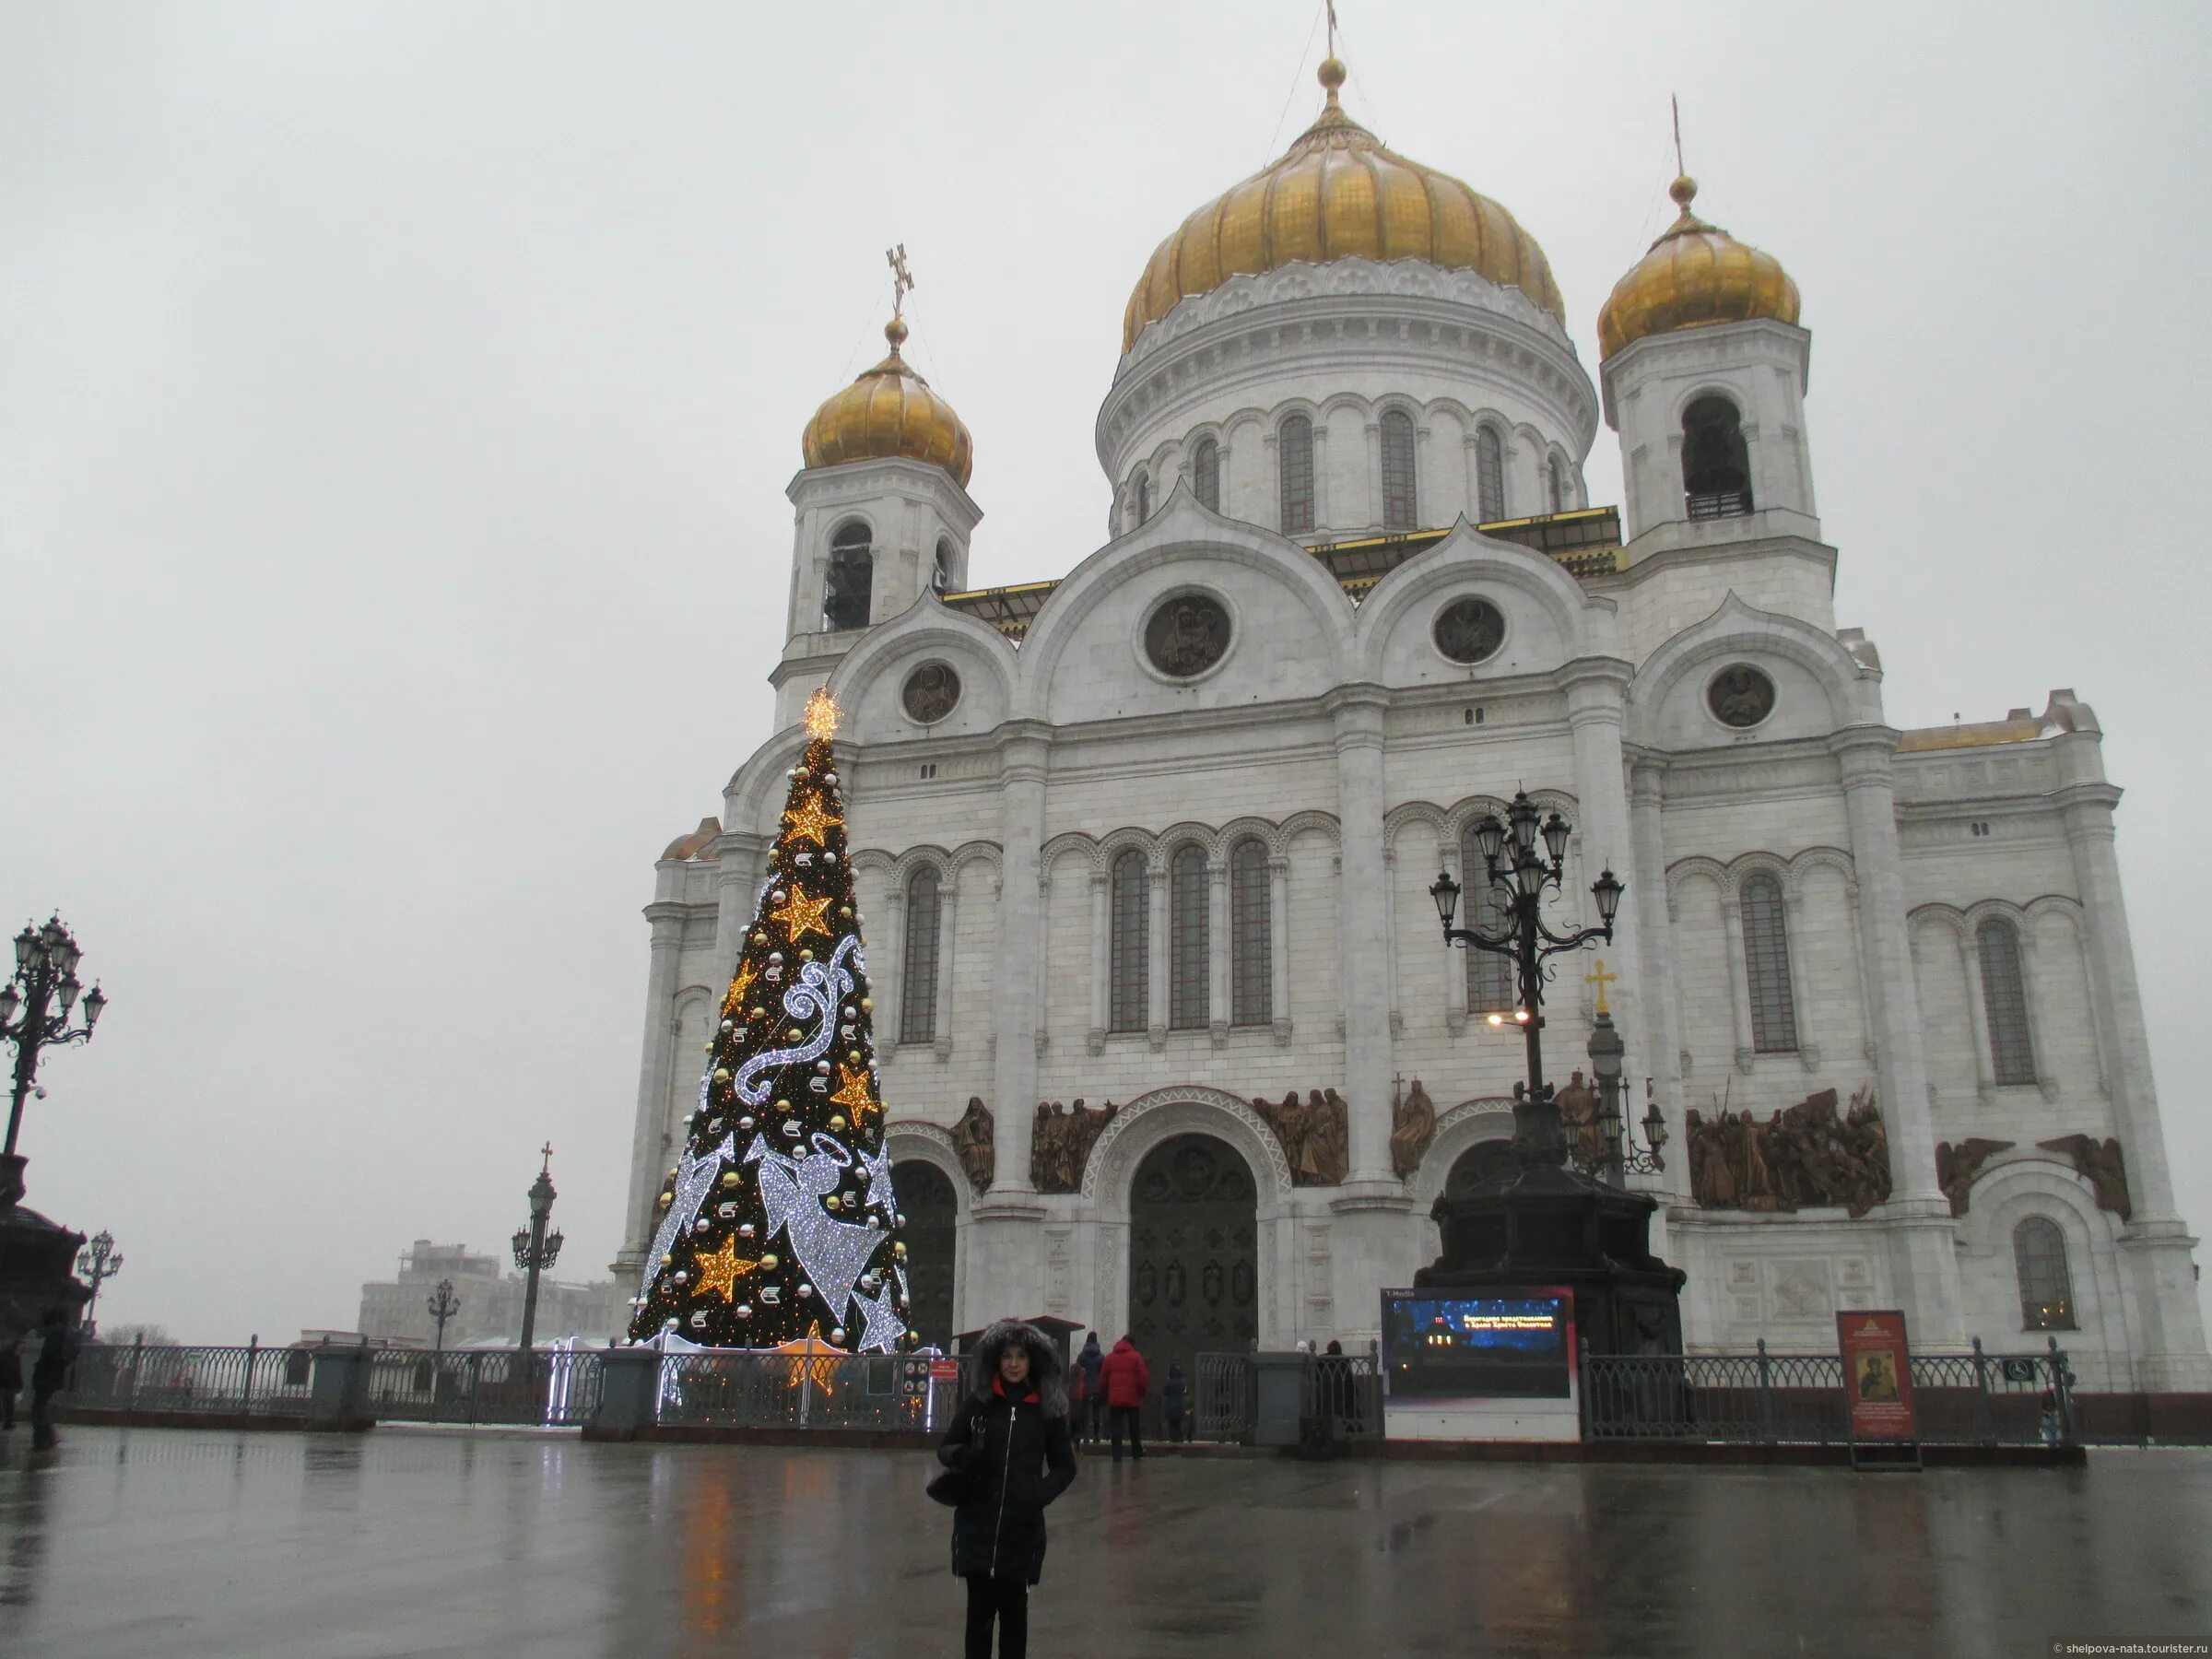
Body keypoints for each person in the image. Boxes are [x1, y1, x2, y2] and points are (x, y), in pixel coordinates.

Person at [937, 1320, 1077, 1659]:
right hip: (978, 1527)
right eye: (1007, 1356)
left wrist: (1037, 1496)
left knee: (1015, 1623)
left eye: (1021, 1357)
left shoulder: (1046, 1411)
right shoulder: (980, 1403)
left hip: (1020, 1533)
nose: (1014, 1364)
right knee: (978, 1622)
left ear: (1033, 1361)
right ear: (996, 1360)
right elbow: (947, 1448)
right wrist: (966, 1456)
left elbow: (1065, 1467)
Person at [29, 1307, 76, 1452]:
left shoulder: (55, 1333)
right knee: (41, 1406)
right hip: (54, 1376)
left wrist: (41, 1366)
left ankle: (44, 1438)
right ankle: (49, 1437)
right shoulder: (66, 1334)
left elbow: (50, 1354)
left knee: (38, 1407)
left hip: (46, 1375)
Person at [1099, 1334, 1149, 1463]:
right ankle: (1136, 1452)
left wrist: (1104, 1393)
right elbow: (1143, 1377)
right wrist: (1142, 1393)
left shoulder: (1109, 1358)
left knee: (1116, 1426)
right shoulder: (1136, 1357)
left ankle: (1117, 1454)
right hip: (1132, 1398)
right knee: (1134, 1426)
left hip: (1115, 1398)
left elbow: (1103, 1378)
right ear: (1132, 1344)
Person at [1074, 1332, 1105, 1445]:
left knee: (1085, 1412)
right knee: (1096, 1412)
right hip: (1097, 1388)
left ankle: (1086, 1436)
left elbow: (1077, 1371)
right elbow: (1103, 1373)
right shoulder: (1101, 1357)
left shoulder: (1081, 1356)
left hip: (1085, 1387)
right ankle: (1096, 1436)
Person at [1160, 1361, 1187, 1444]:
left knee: (1172, 1426)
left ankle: (1173, 1442)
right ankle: (1179, 1440)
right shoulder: (1182, 1382)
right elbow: (1184, 1391)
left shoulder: (1169, 1382)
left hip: (1170, 1406)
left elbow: (1164, 1392)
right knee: (1178, 1425)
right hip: (1180, 1406)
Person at [0, 1336, 21, 1431]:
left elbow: (17, 1371)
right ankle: (7, 1422)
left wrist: (19, 1383)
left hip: (10, 1383)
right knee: (7, 1403)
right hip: (6, 1382)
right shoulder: (6, 1356)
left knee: (9, 1404)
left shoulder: (15, 1357)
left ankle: (8, 1422)